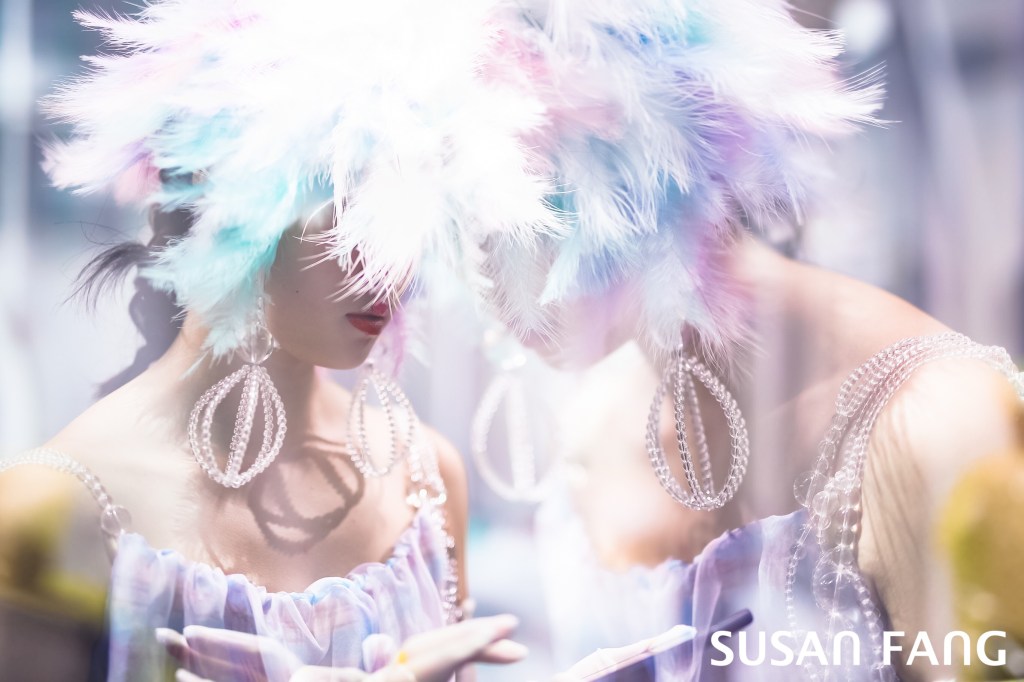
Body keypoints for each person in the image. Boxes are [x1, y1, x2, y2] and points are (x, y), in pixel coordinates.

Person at [459, 0, 1024, 680]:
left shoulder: (935, 424)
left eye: (496, 200)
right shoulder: (591, 428)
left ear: (626, 156)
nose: (474, 263)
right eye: (450, 215)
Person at [0, 0, 548, 679]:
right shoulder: (53, 507)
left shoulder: (426, 477)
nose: (388, 266)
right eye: (346, 209)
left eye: (407, 217)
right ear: (223, 197)